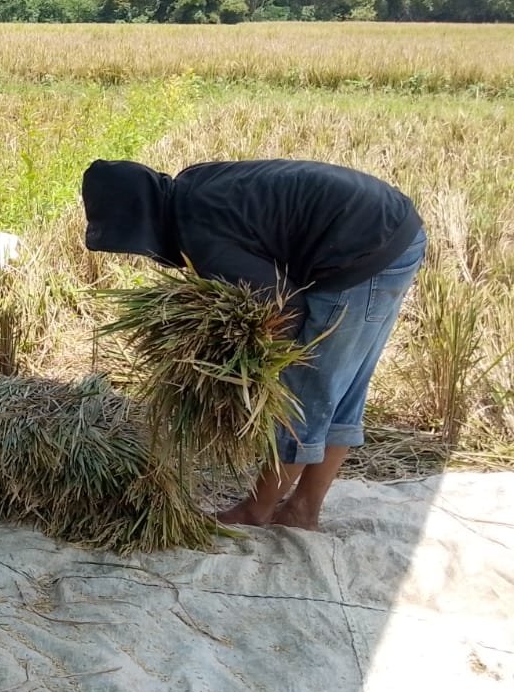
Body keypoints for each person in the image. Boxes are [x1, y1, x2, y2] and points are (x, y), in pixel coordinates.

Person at [81, 158, 426, 531]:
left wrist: (251, 371)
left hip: (364, 249)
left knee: (305, 397)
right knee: (340, 391)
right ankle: (302, 508)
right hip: (392, 228)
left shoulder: (202, 238)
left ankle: (258, 511)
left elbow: (287, 309)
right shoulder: (192, 184)